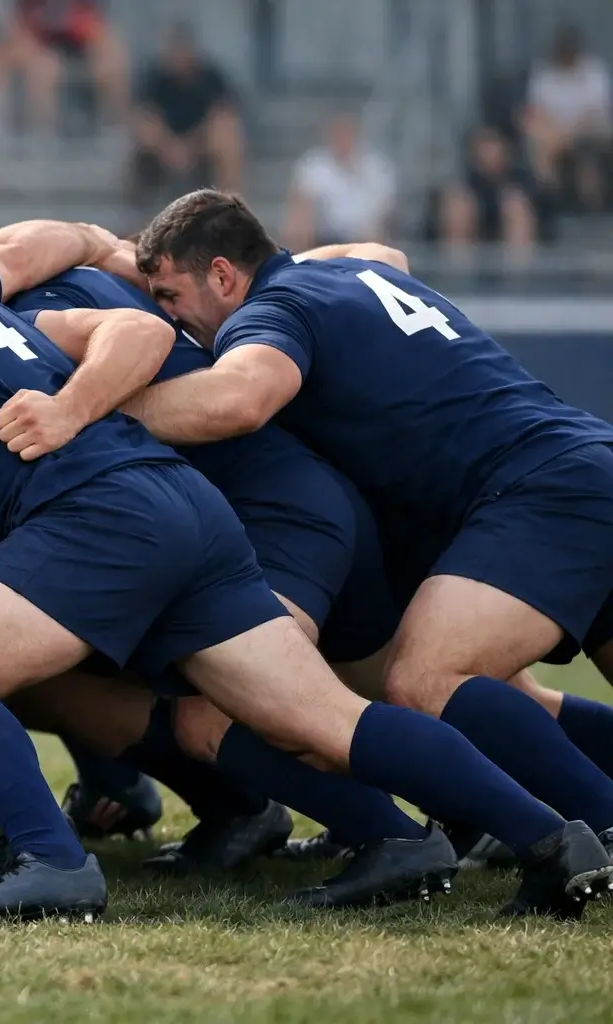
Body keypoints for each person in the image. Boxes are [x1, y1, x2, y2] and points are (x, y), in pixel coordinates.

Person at [0, 206, 612, 921]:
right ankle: (551, 839)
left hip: (125, 512)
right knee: (324, 717)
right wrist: (92, 249)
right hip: (185, 506)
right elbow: (34, 257)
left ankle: (52, 862)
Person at [127, 189, 613, 871]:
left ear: (223, 275)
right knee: (503, 696)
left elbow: (239, 398)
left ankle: (597, 826)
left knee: (424, 682)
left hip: (536, 489)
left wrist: (96, 407)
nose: (167, 316)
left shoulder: (271, 310)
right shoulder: (348, 270)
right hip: (581, 461)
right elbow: (385, 251)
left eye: (170, 295)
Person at [0, 0, 129, 144]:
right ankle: (31, 139)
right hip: (36, 40)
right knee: (38, 68)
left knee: (113, 61)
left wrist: (88, 36)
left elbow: (94, 24)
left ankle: (115, 133)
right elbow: (17, 24)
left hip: (79, 38)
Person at [132, 24, 242, 199]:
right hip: (165, 146)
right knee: (145, 130)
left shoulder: (210, 78)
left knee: (226, 136)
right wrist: (171, 148)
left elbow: (223, 114)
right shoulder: (155, 78)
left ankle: (228, 201)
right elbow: (146, 117)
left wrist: (190, 147)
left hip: (200, 145)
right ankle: (138, 201)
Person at [524, 25, 611, 213]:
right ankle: (550, 199)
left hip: (590, 131)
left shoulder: (594, 72)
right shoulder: (544, 75)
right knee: (540, 141)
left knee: (588, 142)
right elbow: (537, 113)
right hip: (555, 134)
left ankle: (593, 205)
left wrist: (569, 133)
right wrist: (560, 132)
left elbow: (595, 114)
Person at [283, 114, 395, 251]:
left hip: (364, 236)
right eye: (337, 134)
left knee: (377, 234)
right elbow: (300, 203)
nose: (342, 139)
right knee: (299, 219)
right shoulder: (314, 165)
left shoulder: (375, 167)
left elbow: (385, 210)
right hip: (324, 238)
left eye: (347, 134)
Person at [437, 126, 541, 257]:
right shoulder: (465, 181)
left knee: (516, 207)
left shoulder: (523, 180)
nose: (489, 152)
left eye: (493, 145)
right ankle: (457, 264)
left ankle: (519, 265)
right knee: (458, 206)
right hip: (470, 246)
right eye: (485, 146)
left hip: (513, 248)